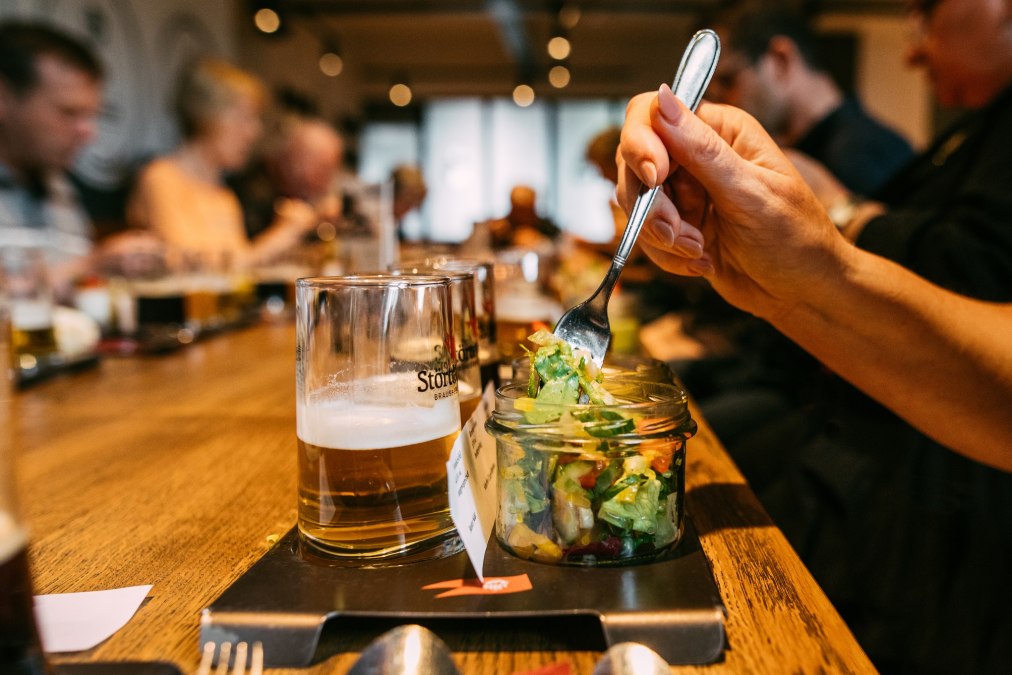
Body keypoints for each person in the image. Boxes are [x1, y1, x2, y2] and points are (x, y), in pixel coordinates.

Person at [614, 1, 1012, 671]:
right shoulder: (977, 132)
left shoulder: (870, 148)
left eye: (928, 10)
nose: (912, 49)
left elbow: (967, 273)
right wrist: (789, 282)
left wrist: (835, 228)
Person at [708, 1, 914, 196]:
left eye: (728, 81)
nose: (721, 103)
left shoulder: (857, 156)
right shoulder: (842, 146)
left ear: (780, 61)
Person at [128, 58, 317, 269]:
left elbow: (239, 271)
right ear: (206, 117)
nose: (254, 132)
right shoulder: (160, 179)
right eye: (243, 118)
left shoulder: (223, 194)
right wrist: (282, 234)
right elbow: (191, 269)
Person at [0, 21, 102, 293]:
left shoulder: (60, 188)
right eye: (69, 113)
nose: (88, 132)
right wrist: (95, 264)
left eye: (91, 115)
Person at [230, 111, 344, 243]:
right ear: (299, 161)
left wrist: (317, 219)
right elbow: (244, 250)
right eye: (324, 170)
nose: (327, 182)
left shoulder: (288, 186)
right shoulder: (252, 191)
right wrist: (290, 229)